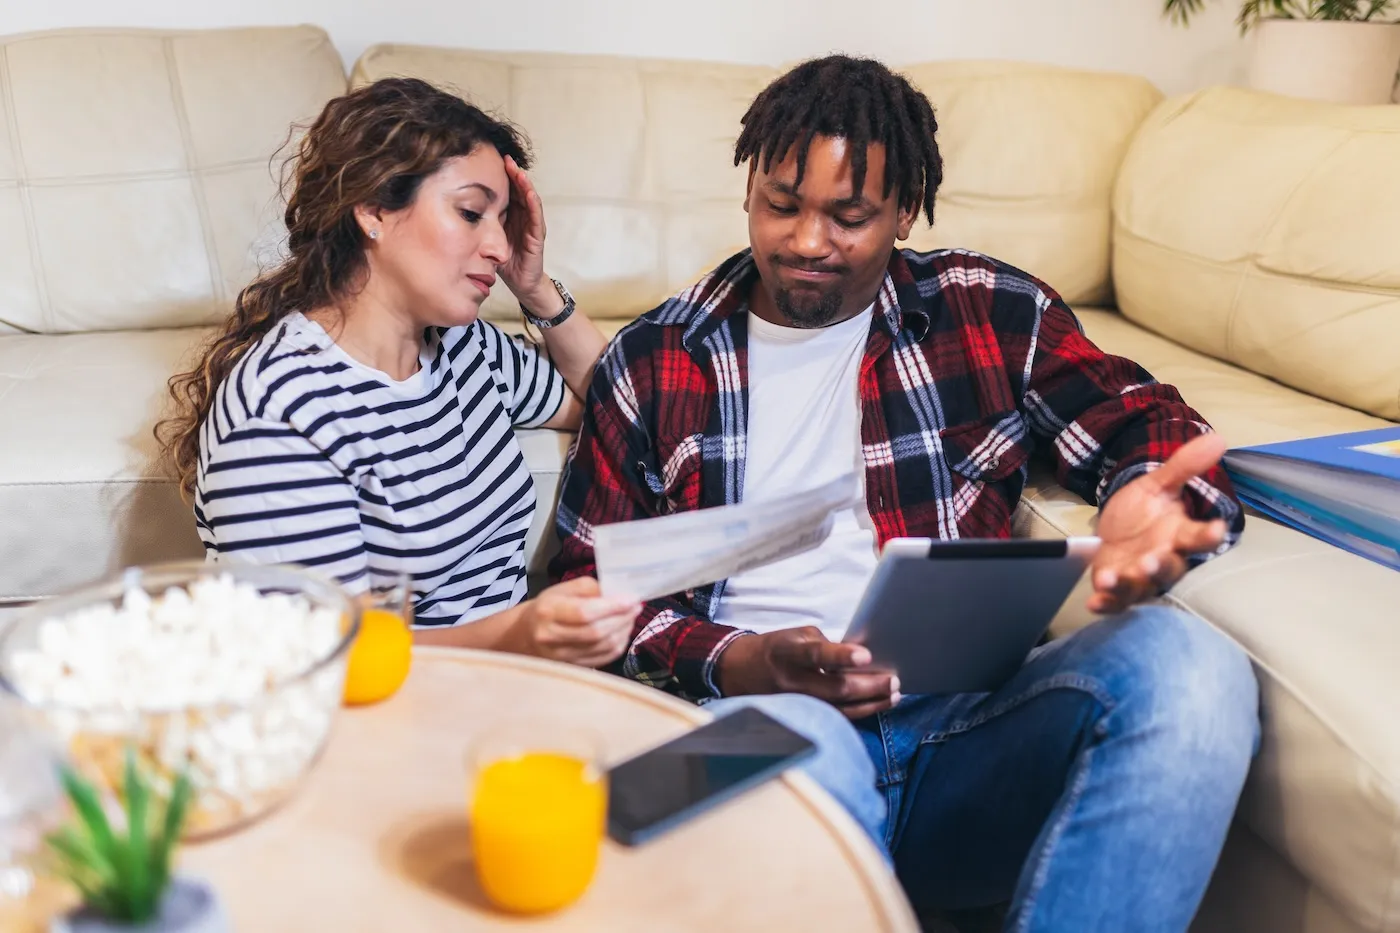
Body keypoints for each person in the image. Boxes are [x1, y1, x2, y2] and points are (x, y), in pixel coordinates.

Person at [551, 56, 1259, 931]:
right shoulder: (655, 359)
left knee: (1195, 668)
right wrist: (747, 659)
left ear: (905, 212)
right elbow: (580, 598)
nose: (809, 241)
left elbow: (1147, 423)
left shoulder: (987, 310)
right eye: (782, 204)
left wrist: (1155, 507)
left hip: (965, 730)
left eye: (849, 217)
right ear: (747, 191)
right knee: (789, 757)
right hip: (756, 720)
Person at [158, 78, 639, 668]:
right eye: (470, 212)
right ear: (374, 209)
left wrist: (536, 289)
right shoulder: (282, 413)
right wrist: (520, 636)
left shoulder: (465, 347)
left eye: (504, 220)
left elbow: (621, 402)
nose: (497, 245)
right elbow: (327, 660)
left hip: (507, 681)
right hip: (389, 714)